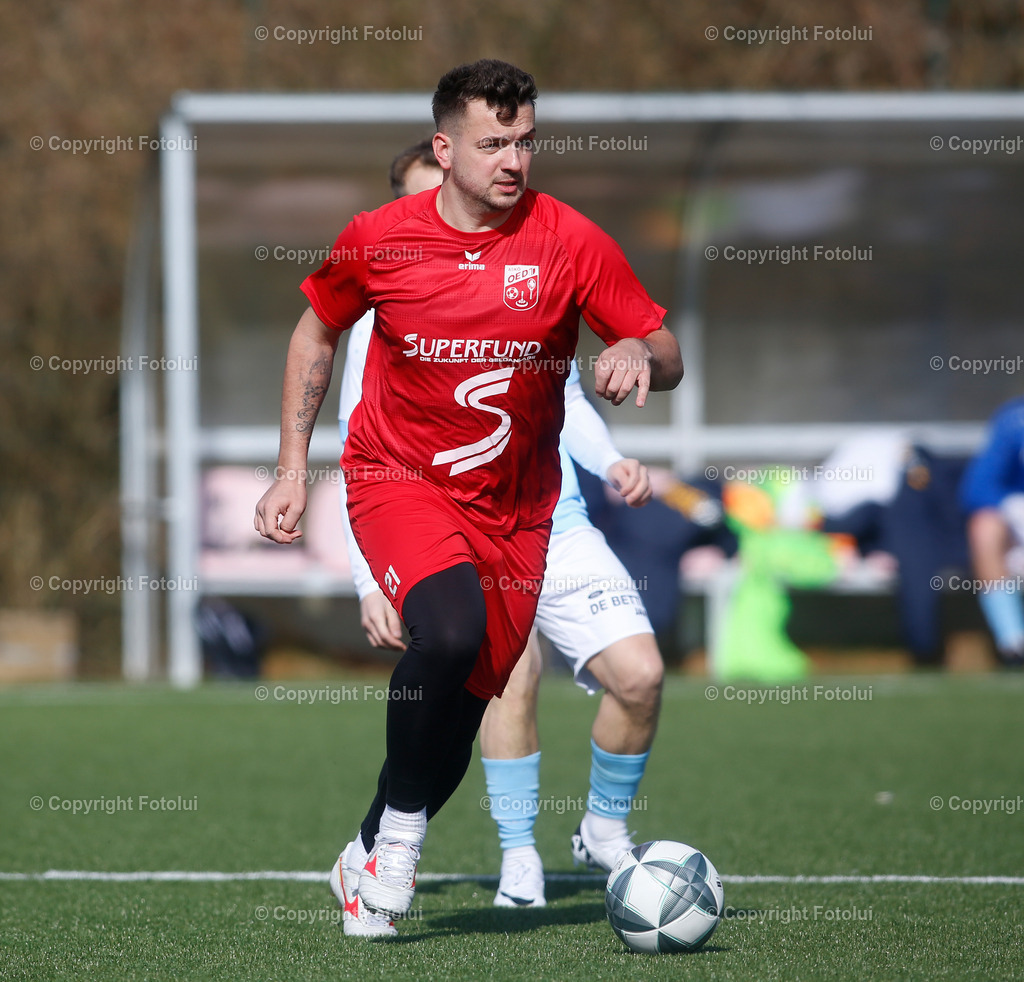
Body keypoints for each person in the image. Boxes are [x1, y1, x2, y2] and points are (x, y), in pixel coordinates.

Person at [254, 59, 683, 938]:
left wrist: (642, 355)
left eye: (526, 142)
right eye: (494, 143)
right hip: (399, 478)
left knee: (466, 692)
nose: (514, 160)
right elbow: (316, 330)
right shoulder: (378, 236)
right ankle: (404, 843)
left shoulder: (569, 240)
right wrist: (293, 466)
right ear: (445, 148)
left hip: (521, 508)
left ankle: (369, 842)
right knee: (446, 632)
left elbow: (662, 341)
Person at [338, 140, 663, 916]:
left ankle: (600, 834)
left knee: (641, 675)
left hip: (548, 515)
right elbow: (360, 440)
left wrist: (612, 456)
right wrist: (368, 577)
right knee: (488, 666)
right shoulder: (382, 300)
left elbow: (569, 394)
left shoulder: (539, 259)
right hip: (438, 519)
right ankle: (515, 861)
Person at [961, 397, 1024, 667]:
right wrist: (1013, 507)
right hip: (1016, 534)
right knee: (985, 528)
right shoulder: (1014, 419)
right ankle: (1013, 643)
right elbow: (976, 489)